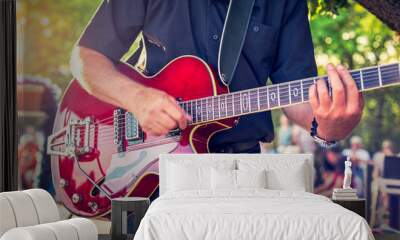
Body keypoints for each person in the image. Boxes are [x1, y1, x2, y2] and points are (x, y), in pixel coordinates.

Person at [71, 0, 363, 153]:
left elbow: (298, 96)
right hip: (150, 160)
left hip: (240, 168)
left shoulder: (285, 2)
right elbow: (85, 58)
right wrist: (136, 98)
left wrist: (329, 127)